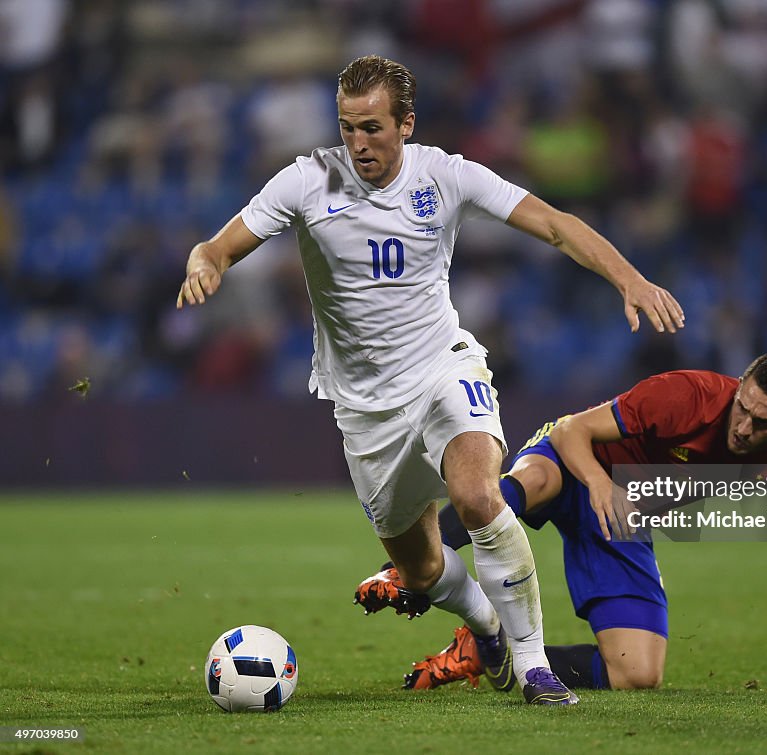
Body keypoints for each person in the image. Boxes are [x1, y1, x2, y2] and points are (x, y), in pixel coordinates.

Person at [176, 55, 684, 705]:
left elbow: (556, 224)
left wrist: (629, 278)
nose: (358, 142)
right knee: (419, 570)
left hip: (444, 366)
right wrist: (206, 263)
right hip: (364, 407)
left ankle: (534, 667)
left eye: (372, 127)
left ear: (405, 124)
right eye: (347, 127)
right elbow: (219, 244)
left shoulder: (446, 175)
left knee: (477, 495)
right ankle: (487, 625)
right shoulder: (307, 181)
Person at [355, 352, 767, 691]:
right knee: (523, 485)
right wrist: (598, 484)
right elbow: (571, 433)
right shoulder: (689, 395)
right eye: (743, 408)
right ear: (740, 385)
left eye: (762, 421)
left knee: (638, 674)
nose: (744, 427)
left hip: (622, 514)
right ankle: (398, 569)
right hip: (574, 467)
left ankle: (480, 650)